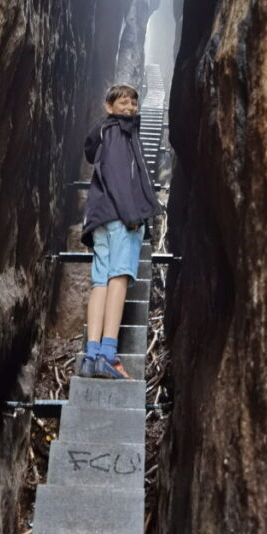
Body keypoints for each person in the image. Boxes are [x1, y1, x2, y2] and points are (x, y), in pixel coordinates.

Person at [79, 83, 163, 379]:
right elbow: (117, 175)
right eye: (123, 102)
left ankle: (90, 356)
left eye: (133, 103)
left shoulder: (104, 134)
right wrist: (132, 215)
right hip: (119, 216)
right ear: (109, 107)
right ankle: (108, 354)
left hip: (101, 217)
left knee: (100, 281)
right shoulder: (117, 132)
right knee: (119, 278)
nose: (130, 108)